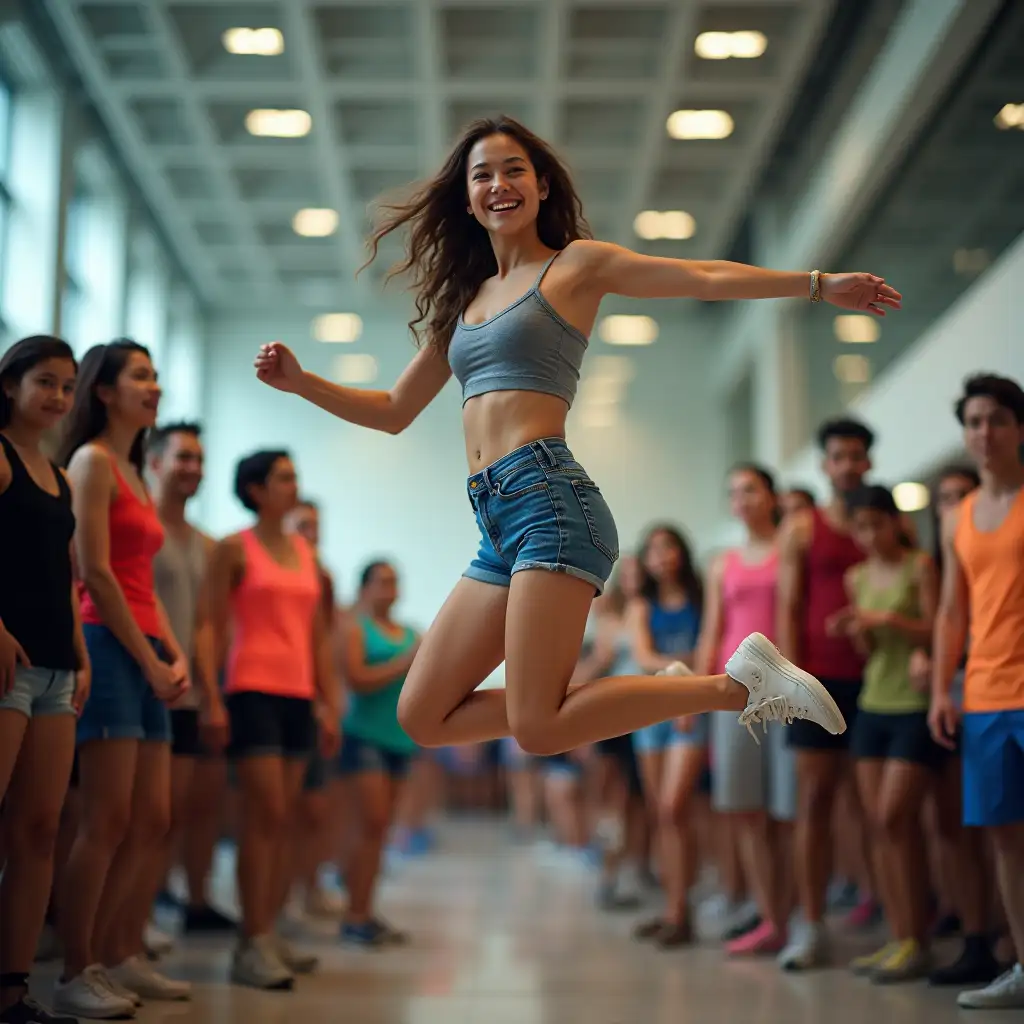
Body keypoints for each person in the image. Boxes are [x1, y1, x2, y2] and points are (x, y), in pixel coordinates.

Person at [253, 116, 898, 778]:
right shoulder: (463, 303)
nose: (498, 184)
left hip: (551, 505)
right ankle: (660, 690)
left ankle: (736, 686)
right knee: (421, 714)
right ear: (466, 196)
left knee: (538, 727)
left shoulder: (575, 266)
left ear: (540, 186)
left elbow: (700, 276)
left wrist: (818, 284)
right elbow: (392, 411)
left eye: (513, 171)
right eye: (482, 175)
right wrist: (302, 383)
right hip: (496, 521)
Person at [55, 340, 192, 1018]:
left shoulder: (137, 473)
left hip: (144, 646)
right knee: (106, 818)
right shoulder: (92, 462)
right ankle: (76, 967)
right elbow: (96, 574)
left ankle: (120, 951)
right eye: (140, 376)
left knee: (154, 818)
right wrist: (146, 655)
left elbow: (145, 583)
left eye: (156, 375)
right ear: (103, 390)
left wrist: (174, 653)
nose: (154, 386)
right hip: (106, 644)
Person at [204, 450, 340, 990]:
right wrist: (211, 699)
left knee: (283, 819)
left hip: (297, 696)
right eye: (284, 477)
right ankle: (250, 941)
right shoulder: (232, 549)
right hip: (251, 690)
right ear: (256, 489)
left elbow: (317, 639)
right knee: (263, 815)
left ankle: (268, 928)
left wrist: (327, 701)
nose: (294, 485)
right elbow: (210, 625)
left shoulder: (307, 555)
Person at [929, 374, 1024, 1010]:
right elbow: (950, 612)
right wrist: (943, 688)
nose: (983, 433)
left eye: (995, 420)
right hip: (985, 693)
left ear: (1018, 427)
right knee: (1001, 837)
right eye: (973, 422)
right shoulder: (955, 518)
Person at [0, 336, 85, 1024]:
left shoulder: (57, 473)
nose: (58, 398)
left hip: (58, 665)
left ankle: (13, 985)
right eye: (46, 383)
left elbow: (65, 576)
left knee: (39, 829)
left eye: (67, 386)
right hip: (9, 662)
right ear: (10, 386)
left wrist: (81, 651)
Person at [775, 417, 877, 970]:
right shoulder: (803, 527)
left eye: (857, 456)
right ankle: (810, 925)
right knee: (813, 805)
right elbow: (788, 608)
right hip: (819, 681)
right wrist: (794, 682)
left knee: (874, 809)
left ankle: (889, 916)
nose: (848, 465)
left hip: (878, 683)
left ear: (868, 463)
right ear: (825, 465)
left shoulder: (883, 525)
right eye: (838, 456)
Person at [833, 485, 939, 981]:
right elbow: (871, 653)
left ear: (895, 521)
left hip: (913, 705)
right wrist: (859, 630)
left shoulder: (921, 565)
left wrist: (890, 618)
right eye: (861, 527)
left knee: (896, 818)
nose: (870, 535)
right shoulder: (856, 577)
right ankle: (899, 937)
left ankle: (917, 937)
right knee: (880, 825)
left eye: (877, 523)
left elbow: (940, 629)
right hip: (873, 702)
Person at [696, 464, 795, 956]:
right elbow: (712, 632)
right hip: (733, 692)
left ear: (771, 496)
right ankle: (769, 915)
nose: (742, 499)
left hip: (786, 692)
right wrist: (694, 694)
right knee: (745, 809)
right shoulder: (722, 563)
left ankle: (794, 914)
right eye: (733, 492)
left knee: (787, 810)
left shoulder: (789, 550)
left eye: (751, 489)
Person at [910, 466, 999, 987]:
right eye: (943, 499)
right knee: (956, 822)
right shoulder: (937, 563)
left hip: (992, 688)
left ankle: (1002, 934)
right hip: (952, 696)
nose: (952, 507)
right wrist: (936, 670)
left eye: (961, 496)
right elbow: (943, 620)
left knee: (995, 830)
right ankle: (975, 931)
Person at [148, 422, 233, 934]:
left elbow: (207, 624)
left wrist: (209, 694)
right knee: (145, 816)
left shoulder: (207, 544)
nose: (193, 469)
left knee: (185, 812)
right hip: (144, 681)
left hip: (189, 693)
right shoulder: (138, 529)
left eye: (199, 460)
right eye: (182, 458)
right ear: (155, 463)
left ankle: (180, 903)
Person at [628, 526, 706, 947]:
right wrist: (685, 660)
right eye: (652, 550)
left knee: (676, 808)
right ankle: (674, 908)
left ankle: (681, 907)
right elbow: (642, 657)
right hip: (651, 711)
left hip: (690, 710)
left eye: (668, 547)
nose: (661, 556)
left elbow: (713, 650)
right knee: (661, 813)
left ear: (681, 551)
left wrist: (677, 668)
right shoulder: (641, 605)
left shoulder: (701, 599)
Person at [338, 560, 419, 946]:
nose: (390, 587)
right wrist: (403, 662)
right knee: (370, 823)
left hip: (399, 739)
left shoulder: (409, 632)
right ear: (365, 587)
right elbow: (357, 680)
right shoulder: (356, 629)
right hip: (364, 735)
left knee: (381, 830)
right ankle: (353, 913)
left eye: (394, 580)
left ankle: (365, 911)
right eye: (382, 580)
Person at [284, 498, 347, 922]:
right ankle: (280, 894)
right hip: (278, 692)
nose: (312, 532)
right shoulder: (273, 571)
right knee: (280, 808)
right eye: (303, 524)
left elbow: (326, 641)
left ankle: (309, 885)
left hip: (312, 697)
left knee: (316, 806)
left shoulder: (321, 577)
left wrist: (329, 700)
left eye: (316, 525)